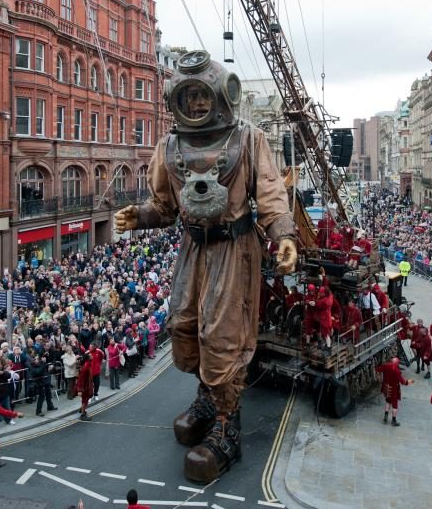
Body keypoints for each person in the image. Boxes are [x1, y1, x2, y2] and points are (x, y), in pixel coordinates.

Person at [114, 50, 297, 484]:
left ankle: (226, 424)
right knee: (185, 327)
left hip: (234, 248)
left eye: (202, 96)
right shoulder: (170, 145)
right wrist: (139, 216)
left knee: (222, 335)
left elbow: (271, 194)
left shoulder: (248, 138)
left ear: (222, 95)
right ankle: (207, 395)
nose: (197, 105)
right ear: (176, 99)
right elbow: (163, 205)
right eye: (189, 96)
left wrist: (284, 235)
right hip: (193, 249)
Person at [375, 357, 413, 427]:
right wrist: (410, 381)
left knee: (387, 401)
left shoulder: (386, 366)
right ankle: (393, 420)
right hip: (394, 390)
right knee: (394, 405)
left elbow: (377, 369)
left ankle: (385, 416)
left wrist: (379, 377)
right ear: (397, 363)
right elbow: (403, 382)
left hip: (386, 388)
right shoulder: (397, 371)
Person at [77, 354, 94, 421]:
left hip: (88, 385)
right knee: (85, 401)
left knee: (86, 400)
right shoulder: (86, 366)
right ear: (88, 358)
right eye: (90, 356)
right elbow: (81, 379)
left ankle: (81, 409)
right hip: (85, 387)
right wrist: (80, 390)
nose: (92, 356)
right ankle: (83, 415)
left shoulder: (88, 364)